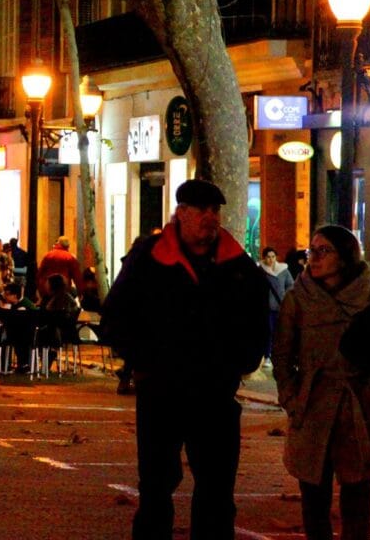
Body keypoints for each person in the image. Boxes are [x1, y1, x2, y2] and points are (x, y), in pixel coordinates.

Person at [100, 179, 268, 540]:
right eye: (202, 210)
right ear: (181, 214)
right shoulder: (149, 257)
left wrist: (241, 362)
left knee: (217, 488)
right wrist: (144, 361)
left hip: (215, 393)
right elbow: (116, 315)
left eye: (215, 211)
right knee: (156, 487)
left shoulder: (237, 263)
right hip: (162, 391)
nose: (211, 218)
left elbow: (257, 318)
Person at [273, 225, 370, 540]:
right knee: (314, 503)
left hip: (359, 408)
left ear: (345, 257)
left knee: (357, 505)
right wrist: (291, 398)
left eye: (324, 251)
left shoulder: (368, 296)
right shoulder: (298, 299)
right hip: (312, 407)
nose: (314, 258)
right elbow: (282, 356)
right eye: (312, 250)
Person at [260, 246, 292, 363]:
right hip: (266, 308)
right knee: (268, 332)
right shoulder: (261, 270)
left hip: (280, 306)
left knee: (280, 332)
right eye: (268, 257)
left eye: (273, 256)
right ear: (264, 258)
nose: (271, 259)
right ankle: (267, 355)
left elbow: (290, 285)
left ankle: (277, 355)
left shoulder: (283, 270)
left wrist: (285, 297)